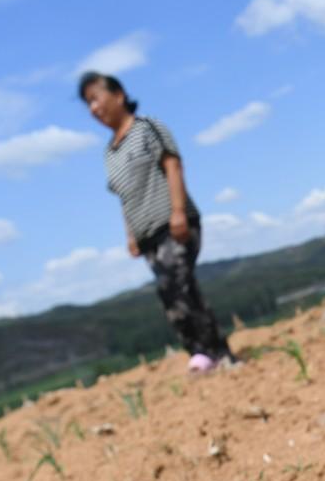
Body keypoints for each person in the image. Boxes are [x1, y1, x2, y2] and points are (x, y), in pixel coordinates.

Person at [78, 71, 236, 373]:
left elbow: (172, 164)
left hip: (173, 222)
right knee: (169, 293)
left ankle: (215, 354)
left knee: (180, 285)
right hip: (146, 232)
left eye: (96, 99)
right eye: (88, 104)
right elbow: (124, 195)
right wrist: (130, 234)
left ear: (119, 95)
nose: (93, 109)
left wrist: (178, 212)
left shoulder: (147, 128)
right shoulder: (110, 152)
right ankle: (201, 354)